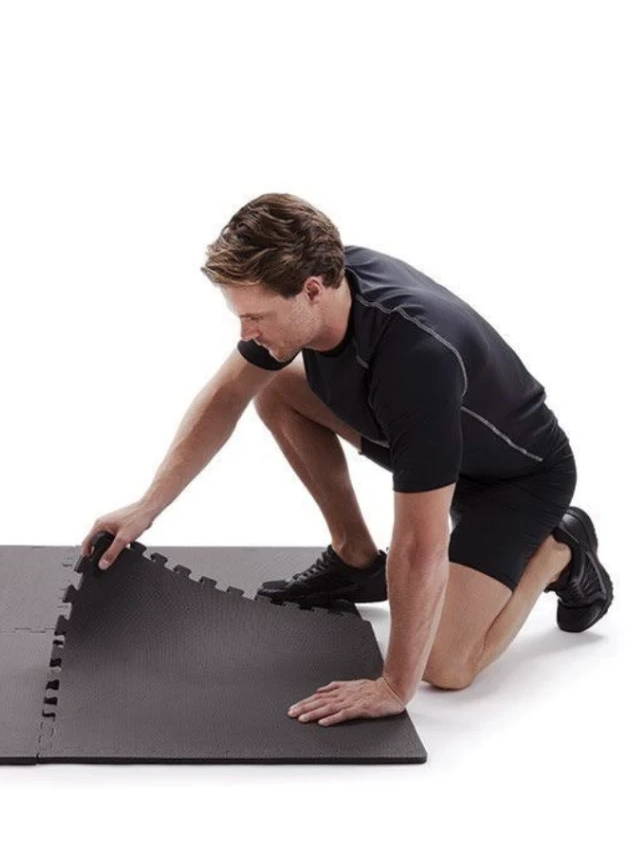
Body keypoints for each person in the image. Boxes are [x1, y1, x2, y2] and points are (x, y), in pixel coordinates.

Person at [79, 193, 613, 726]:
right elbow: (226, 396)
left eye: (256, 316)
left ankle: (559, 552)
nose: (246, 333)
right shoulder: (319, 277)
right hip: (414, 431)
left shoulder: (416, 358)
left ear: (312, 291)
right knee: (275, 388)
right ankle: (355, 558)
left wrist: (394, 685)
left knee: (444, 666)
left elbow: (420, 545)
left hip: (515, 480)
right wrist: (147, 506)